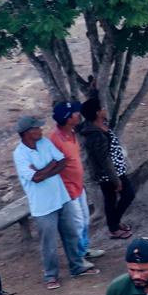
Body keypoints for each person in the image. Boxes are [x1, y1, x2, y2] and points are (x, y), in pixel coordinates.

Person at [12, 114, 91, 290]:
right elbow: (36, 178)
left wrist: (43, 170)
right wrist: (51, 166)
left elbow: (62, 162)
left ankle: (77, 267)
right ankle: (51, 275)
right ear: (27, 132)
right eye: (36, 128)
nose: (40, 130)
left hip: (61, 197)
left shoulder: (45, 143)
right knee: (49, 243)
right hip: (43, 206)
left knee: (71, 234)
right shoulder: (20, 154)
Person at [77, 97, 135, 239]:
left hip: (114, 171)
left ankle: (114, 224)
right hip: (110, 173)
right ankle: (113, 226)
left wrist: (94, 90)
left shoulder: (99, 125)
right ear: (97, 113)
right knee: (127, 195)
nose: (104, 110)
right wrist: (116, 180)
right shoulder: (96, 135)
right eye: (102, 108)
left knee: (111, 199)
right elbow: (104, 160)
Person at [48, 101, 91, 266]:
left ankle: (84, 249)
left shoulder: (71, 132)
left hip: (78, 185)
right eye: (74, 113)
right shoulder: (55, 139)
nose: (78, 114)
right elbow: (53, 165)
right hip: (67, 188)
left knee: (85, 220)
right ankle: (78, 258)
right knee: (77, 223)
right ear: (68, 119)